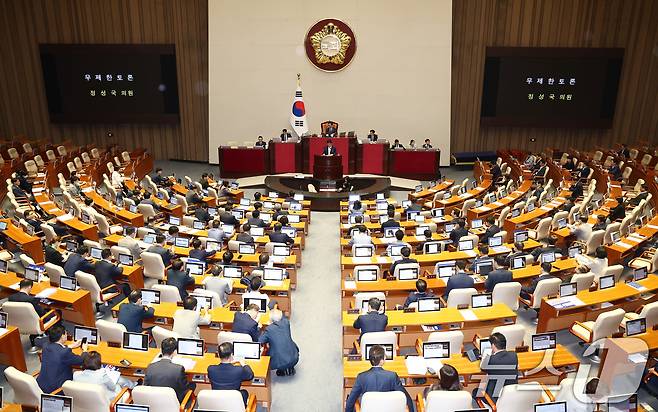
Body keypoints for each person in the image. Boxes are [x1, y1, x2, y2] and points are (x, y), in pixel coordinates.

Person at [345, 345, 414, 412]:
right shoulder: (392, 376)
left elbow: (350, 402)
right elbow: (405, 397)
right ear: (382, 361)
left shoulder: (361, 377)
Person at [37, 324, 87, 393]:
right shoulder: (65, 353)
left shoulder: (45, 345)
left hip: (41, 385)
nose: (67, 334)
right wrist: (85, 350)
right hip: (56, 389)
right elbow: (81, 360)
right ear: (62, 336)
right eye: (66, 332)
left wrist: (71, 346)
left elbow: (57, 349)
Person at [145, 337, 196, 402]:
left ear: (161, 350)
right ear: (175, 352)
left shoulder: (150, 367)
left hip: (154, 401)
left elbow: (145, 387)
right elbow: (185, 388)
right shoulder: (179, 369)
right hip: (174, 401)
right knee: (193, 385)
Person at [9, 279, 47, 351]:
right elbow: (42, 313)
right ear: (29, 287)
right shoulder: (31, 299)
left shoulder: (11, 298)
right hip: (34, 323)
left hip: (19, 324)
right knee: (56, 313)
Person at [258, 309, 299, 376]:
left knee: (272, 350)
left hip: (278, 362)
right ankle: (290, 367)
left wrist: (259, 328)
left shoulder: (269, 329)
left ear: (271, 319)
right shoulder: (286, 323)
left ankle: (282, 370)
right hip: (294, 357)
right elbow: (282, 317)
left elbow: (260, 341)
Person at [479, 332, 518, 400]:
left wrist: (486, 355)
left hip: (494, 397)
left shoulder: (491, 359)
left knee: (475, 391)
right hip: (511, 393)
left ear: (493, 345)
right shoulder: (514, 355)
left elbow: (482, 367)